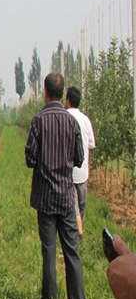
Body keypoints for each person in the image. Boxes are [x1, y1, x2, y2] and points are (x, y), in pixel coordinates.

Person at [25, 72, 87, 299]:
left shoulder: (38, 121)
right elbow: (80, 157)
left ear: (45, 91)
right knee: (72, 252)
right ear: (62, 94)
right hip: (66, 197)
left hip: (45, 198)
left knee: (49, 251)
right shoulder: (71, 122)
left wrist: (44, 163)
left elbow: (30, 159)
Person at [64, 86, 95, 236]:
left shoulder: (62, 117)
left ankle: (74, 232)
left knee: (71, 205)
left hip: (66, 170)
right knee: (81, 204)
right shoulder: (85, 120)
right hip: (82, 171)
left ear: (67, 100)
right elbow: (91, 145)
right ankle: (78, 231)